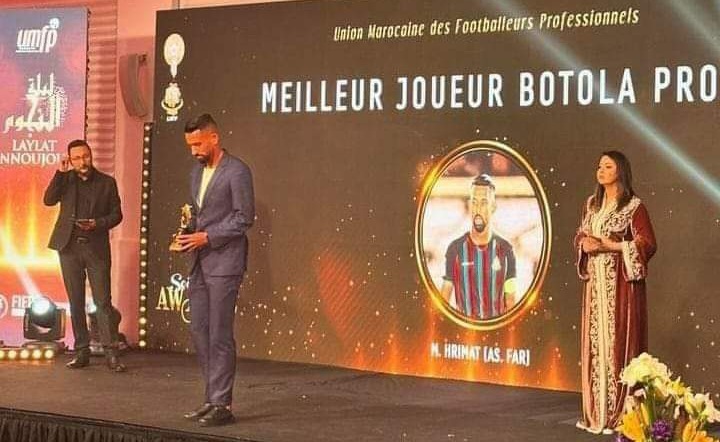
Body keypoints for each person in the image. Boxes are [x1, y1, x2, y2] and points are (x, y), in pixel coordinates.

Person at [176, 114, 254, 427]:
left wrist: (207, 237)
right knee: (199, 331)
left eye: (198, 143)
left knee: (220, 334)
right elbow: (198, 215)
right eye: (189, 145)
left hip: (225, 263)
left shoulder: (237, 171)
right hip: (199, 261)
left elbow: (244, 217)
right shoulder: (196, 173)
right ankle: (211, 398)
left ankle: (223, 403)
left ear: (214, 138)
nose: (193, 150)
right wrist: (186, 235)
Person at [574, 150, 657, 435]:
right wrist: (584, 243)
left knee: (619, 342)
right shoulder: (592, 205)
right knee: (596, 344)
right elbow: (581, 233)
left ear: (620, 170)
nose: (601, 170)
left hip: (620, 289)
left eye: (607, 166)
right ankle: (596, 411)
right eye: (599, 166)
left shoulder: (634, 207)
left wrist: (614, 246)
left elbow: (647, 243)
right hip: (595, 288)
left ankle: (621, 413)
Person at [43, 139, 126, 372]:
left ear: (91, 156)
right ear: (70, 160)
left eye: (86, 156)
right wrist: (60, 173)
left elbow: (117, 215)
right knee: (75, 301)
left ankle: (111, 353)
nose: (83, 161)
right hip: (68, 247)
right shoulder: (65, 179)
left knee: (103, 302)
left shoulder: (107, 182)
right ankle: (82, 351)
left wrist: (97, 223)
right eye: (77, 158)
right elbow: (48, 200)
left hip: (95, 247)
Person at [440, 174, 517, 319]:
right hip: (463, 332)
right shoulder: (455, 250)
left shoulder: (506, 250)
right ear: (469, 206)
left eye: (484, 202)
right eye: (474, 202)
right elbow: (442, 303)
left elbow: (511, 301)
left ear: (493, 207)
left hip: (496, 332)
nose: (478, 209)